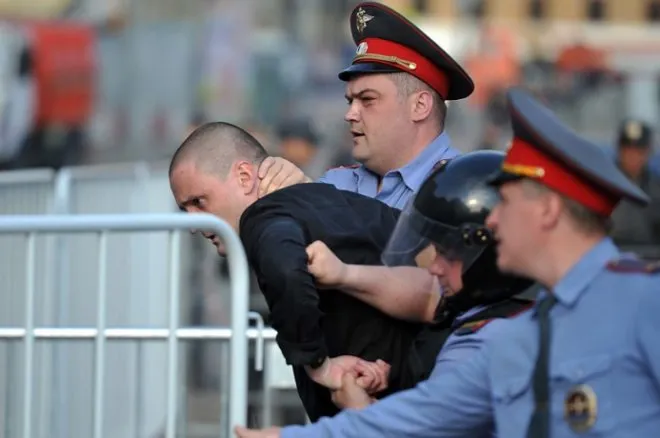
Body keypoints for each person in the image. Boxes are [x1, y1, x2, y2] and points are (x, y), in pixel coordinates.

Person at [235, 88, 660, 438]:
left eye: (506, 203)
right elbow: (414, 418)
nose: (491, 220)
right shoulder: (516, 339)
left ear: (547, 211)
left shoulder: (644, 301)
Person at [235, 149, 535, 438]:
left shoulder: (479, 348)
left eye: (445, 253)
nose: (434, 268)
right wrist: (342, 274)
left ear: (486, 256)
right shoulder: (486, 311)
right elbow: (425, 296)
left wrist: (358, 408)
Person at [169, 121, 429, 422]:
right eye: (185, 210)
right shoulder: (342, 202)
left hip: (379, 411)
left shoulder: (261, 219)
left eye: (199, 202)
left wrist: (319, 366)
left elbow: (286, 271)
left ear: (244, 176)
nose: (193, 224)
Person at [257, 2, 474, 208]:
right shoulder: (338, 182)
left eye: (368, 99)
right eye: (350, 101)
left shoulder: (462, 189)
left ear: (420, 105)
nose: (350, 114)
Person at [609, 118, 660, 247]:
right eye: (628, 150)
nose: (633, 157)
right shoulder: (603, 184)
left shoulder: (656, 187)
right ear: (619, 151)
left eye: (639, 152)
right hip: (611, 255)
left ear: (648, 152)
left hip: (650, 257)